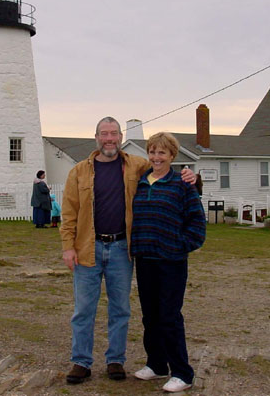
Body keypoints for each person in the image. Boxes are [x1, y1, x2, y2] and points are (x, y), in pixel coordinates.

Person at [60, 117, 195, 385]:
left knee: (120, 308)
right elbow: (69, 213)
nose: (109, 138)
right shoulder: (78, 171)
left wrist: (190, 175)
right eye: (104, 134)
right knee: (84, 309)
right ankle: (81, 362)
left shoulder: (137, 166)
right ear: (96, 137)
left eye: (113, 133)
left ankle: (115, 360)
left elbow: (163, 170)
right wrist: (68, 247)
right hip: (88, 248)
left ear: (120, 136)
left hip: (123, 248)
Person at [131, 132, 206, 393]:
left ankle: (182, 373)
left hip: (171, 262)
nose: (156, 157)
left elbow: (197, 225)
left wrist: (178, 246)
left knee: (169, 316)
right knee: (150, 316)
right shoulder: (141, 182)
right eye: (152, 151)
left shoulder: (182, 184)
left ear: (172, 156)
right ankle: (156, 364)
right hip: (145, 259)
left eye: (162, 152)